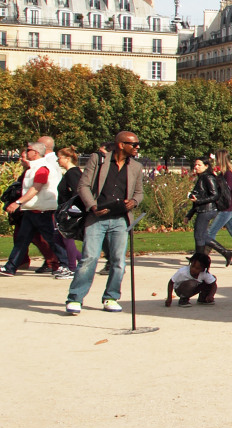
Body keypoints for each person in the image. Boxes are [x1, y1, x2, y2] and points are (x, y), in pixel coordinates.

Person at [65, 131, 146, 315]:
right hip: (97, 217)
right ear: (120, 145)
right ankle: (75, 298)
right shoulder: (98, 160)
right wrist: (92, 206)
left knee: (118, 261)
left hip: (120, 219)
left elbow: (139, 193)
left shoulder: (135, 166)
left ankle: (111, 296)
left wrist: (133, 202)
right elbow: (83, 186)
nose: (137, 147)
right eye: (133, 144)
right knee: (89, 258)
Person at [1, 142, 65, 278]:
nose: (26, 152)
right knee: (22, 240)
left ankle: (65, 264)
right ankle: (10, 267)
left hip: (42, 211)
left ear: (35, 153)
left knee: (51, 240)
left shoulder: (42, 168)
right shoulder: (34, 168)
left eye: (29, 150)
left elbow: (36, 188)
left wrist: (18, 202)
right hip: (32, 209)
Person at [188, 157, 232, 265]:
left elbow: (215, 195)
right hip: (203, 209)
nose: (196, 167)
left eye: (199, 165)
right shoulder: (202, 177)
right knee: (200, 236)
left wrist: (199, 200)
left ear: (206, 166)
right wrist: (189, 214)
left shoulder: (208, 177)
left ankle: (223, 253)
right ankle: (198, 260)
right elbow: (199, 197)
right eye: (195, 165)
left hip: (207, 210)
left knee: (200, 236)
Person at [51, 147, 84, 276]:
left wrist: (71, 209)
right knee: (57, 238)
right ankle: (82, 263)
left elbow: (78, 192)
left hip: (68, 212)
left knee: (66, 239)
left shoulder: (73, 173)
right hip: (63, 210)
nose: (58, 161)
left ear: (67, 158)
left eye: (59, 158)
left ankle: (72, 268)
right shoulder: (69, 173)